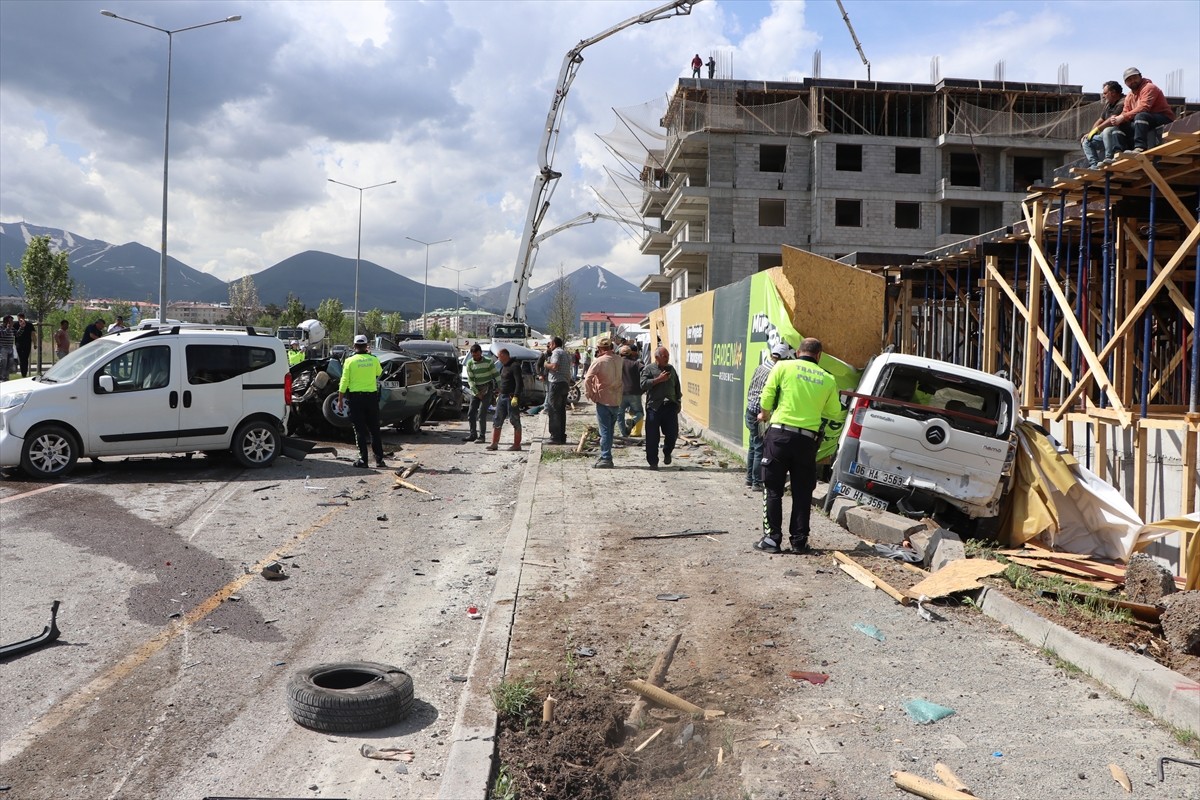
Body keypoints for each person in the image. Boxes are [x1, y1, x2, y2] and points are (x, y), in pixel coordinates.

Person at [755, 338, 841, 554]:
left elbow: (767, 395)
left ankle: (772, 539)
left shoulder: (783, 366)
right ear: (819, 355)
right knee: (802, 493)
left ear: (798, 352)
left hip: (779, 436)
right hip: (806, 441)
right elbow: (833, 412)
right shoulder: (828, 379)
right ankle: (799, 542)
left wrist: (764, 415)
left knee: (773, 488)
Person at [745, 343, 792, 490]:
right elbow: (769, 395)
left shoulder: (760, 367)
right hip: (761, 413)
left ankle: (749, 478)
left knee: (753, 446)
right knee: (760, 447)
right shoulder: (775, 372)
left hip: (750, 410)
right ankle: (757, 482)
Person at [337, 334, 388, 469]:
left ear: (354, 346)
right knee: (374, 430)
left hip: (356, 398)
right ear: (366, 346)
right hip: (371, 398)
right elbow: (379, 372)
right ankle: (379, 460)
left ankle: (363, 460)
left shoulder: (349, 361)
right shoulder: (373, 359)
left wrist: (340, 399)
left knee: (359, 430)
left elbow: (344, 381)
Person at [1110, 68, 1175, 154]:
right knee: (1119, 126)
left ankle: (1140, 147)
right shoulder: (1129, 96)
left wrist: (1122, 117)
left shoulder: (1149, 87)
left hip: (1163, 118)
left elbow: (1144, 107)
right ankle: (1118, 152)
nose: (1132, 81)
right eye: (1129, 80)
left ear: (1140, 76)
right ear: (1125, 83)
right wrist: (1117, 119)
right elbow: (1125, 112)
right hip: (1144, 122)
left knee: (1141, 115)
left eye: (1135, 77)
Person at [639, 346, 682, 470]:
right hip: (654, 407)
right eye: (665, 356)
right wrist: (658, 380)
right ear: (657, 357)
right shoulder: (648, 369)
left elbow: (677, 386)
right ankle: (653, 462)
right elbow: (642, 385)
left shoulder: (671, 369)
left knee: (672, 433)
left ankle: (667, 451)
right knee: (652, 437)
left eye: (668, 356)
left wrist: (678, 401)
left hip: (670, 406)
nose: (667, 359)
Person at [584, 338, 622, 468]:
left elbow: (587, 379)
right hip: (616, 400)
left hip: (604, 399)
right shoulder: (619, 360)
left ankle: (606, 457)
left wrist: (590, 394)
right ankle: (606, 454)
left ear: (599, 349)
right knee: (610, 431)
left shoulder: (599, 361)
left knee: (605, 431)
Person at [1082, 81, 1130, 168]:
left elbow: (1110, 121)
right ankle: (1094, 165)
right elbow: (1101, 119)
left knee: (1107, 131)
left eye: (1105, 93)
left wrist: (1098, 129)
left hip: (1119, 134)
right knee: (1086, 141)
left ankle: (1109, 157)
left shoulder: (1123, 102)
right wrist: (1091, 133)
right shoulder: (1108, 104)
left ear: (1113, 93)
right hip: (1105, 137)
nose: (1103, 96)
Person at [487, 348, 524, 451]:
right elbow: (503, 381)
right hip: (502, 397)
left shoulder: (515, 366)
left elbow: (519, 383)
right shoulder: (503, 367)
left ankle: (517, 444)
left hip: (511, 397)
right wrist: (499, 393)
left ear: (504, 355)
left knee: (514, 420)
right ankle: (494, 443)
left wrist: (516, 396)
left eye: (499, 356)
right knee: (497, 419)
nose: (498, 358)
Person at [463, 343, 499, 443]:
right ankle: (472, 434)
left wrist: (500, 387)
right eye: (474, 355)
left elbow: (496, 374)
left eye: (477, 355)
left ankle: (482, 436)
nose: (476, 357)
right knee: (471, 413)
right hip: (475, 390)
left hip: (487, 388)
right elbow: (470, 380)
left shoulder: (488, 362)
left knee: (481, 413)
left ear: (481, 353)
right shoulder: (470, 363)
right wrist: (476, 392)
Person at [545, 336, 572, 445]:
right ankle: (561, 436)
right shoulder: (565, 353)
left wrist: (546, 364)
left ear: (554, 344)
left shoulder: (556, 352)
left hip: (556, 383)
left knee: (554, 410)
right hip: (564, 383)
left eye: (550, 344)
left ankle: (555, 437)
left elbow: (555, 366)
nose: (549, 346)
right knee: (561, 411)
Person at [617, 345, 644, 438]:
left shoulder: (616, 364)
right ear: (631, 353)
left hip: (620, 392)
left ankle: (624, 434)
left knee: (619, 414)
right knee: (639, 412)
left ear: (620, 354)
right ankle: (633, 421)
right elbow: (645, 372)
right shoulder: (636, 364)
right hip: (634, 392)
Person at [0, 316, 16, 381]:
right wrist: (8, 329)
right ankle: (1, 378)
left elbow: (17, 334)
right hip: (3, 348)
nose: (12, 323)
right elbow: (1, 334)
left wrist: (22, 327)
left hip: (10, 348)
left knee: (9, 363)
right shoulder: (1, 327)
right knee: (3, 363)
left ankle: (6, 378)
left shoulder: (12, 328)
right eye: (11, 321)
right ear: (6, 322)